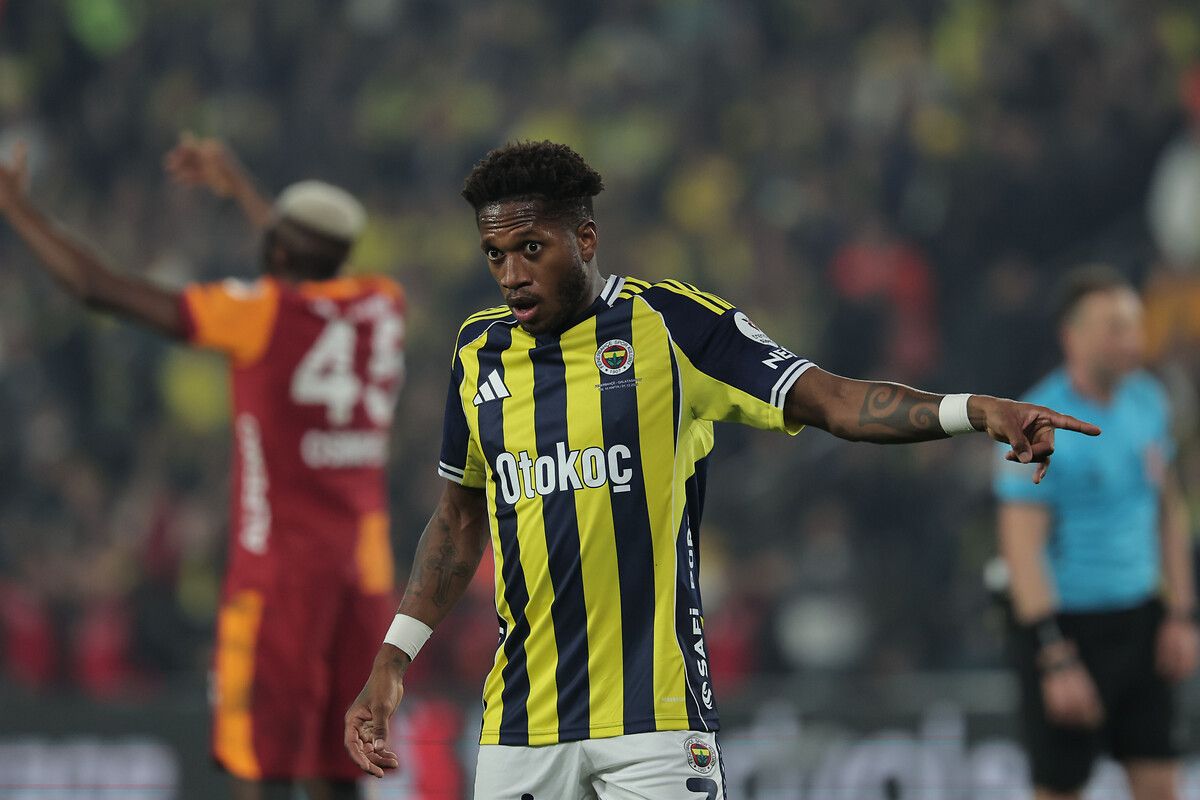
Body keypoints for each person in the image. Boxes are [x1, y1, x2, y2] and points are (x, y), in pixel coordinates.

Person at [343, 140, 1098, 799]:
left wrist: (976, 410)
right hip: (521, 724)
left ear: (586, 236)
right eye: (495, 254)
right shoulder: (478, 354)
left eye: (531, 248)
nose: (511, 274)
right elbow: (459, 519)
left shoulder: (673, 326)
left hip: (656, 720)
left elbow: (835, 401)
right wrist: (393, 658)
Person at [0, 138, 406, 800]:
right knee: (341, 769)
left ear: (278, 253)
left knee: (259, 769)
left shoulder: (256, 314)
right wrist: (243, 189)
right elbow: (314, 260)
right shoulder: (380, 305)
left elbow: (99, 288)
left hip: (277, 582)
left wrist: (19, 210)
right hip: (363, 578)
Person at [994, 265, 1197, 800]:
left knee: (1161, 783)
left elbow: (1168, 511)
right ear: (1073, 336)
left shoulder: (1149, 400)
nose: (1133, 339)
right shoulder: (1035, 422)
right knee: (1061, 790)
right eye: (1116, 327)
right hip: (1070, 630)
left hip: (1142, 621)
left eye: (1134, 325)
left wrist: (1181, 613)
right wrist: (1055, 657)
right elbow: (1022, 548)